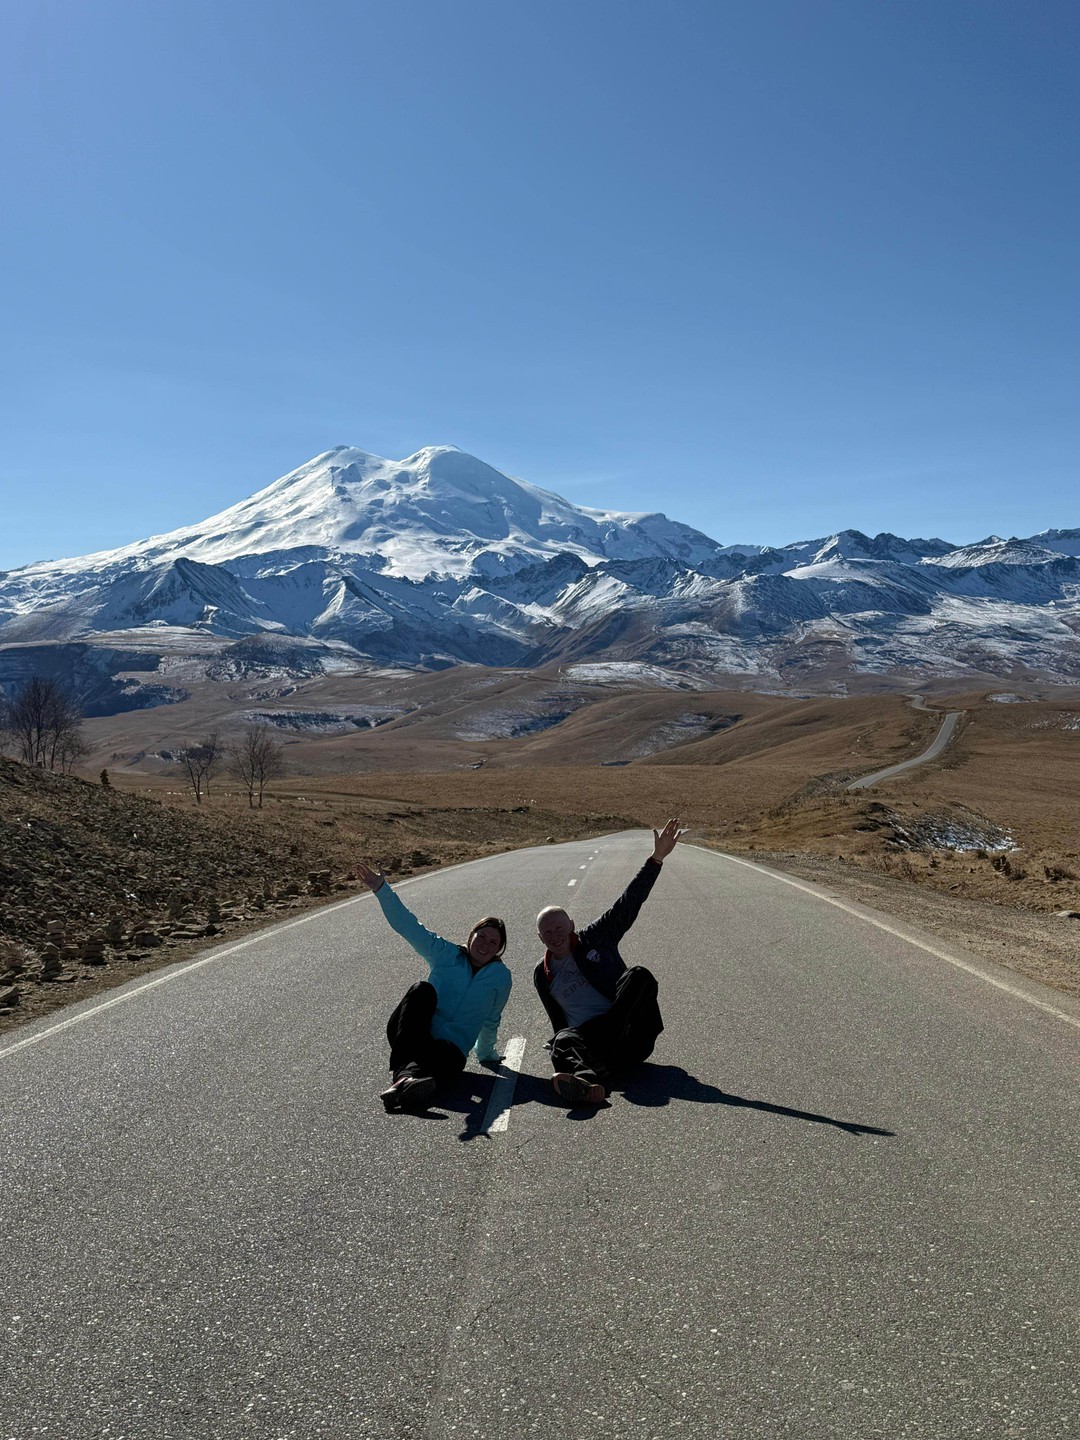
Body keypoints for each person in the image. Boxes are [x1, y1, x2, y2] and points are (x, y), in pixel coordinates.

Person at [533, 819, 681, 1105]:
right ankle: (589, 1083)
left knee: (639, 976)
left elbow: (628, 903)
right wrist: (560, 1042)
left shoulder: (595, 938)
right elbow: (557, 1020)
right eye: (547, 932)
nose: (555, 936)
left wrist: (657, 859)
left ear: (572, 925)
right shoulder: (543, 974)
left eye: (560, 928)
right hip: (593, 1045)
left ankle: (596, 1067)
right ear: (540, 938)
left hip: (630, 1036)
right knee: (563, 1040)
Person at [356, 861, 512, 1112]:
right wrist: (381, 889)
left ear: (499, 949)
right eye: (481, 936)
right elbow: (409, 927)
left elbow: (492, 1018)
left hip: (449, 1051)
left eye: (493, 942)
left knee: (445, 1053)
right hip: (414, 1033)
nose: (485, 944)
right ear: (470, 935)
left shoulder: (501, 978)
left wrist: (486, 1054)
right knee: (422, 989)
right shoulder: (446, 954)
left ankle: (404, 1082)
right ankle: (409, 1079)